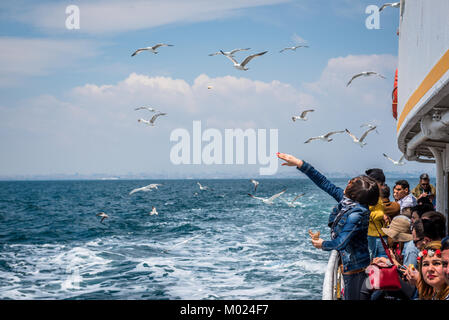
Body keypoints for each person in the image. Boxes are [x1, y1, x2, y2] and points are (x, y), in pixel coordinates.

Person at [277, 152, 379, 300]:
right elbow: (325, 183)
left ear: (355, 194)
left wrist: (322, 244)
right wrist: (300, 163)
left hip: (355, 272)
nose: (348, 182)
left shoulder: (357, 213)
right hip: (350, 268)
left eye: (351, 183)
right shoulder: (347, 202)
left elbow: (342, 241)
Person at [365, 168, 388, 260]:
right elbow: (365, 214)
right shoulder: (367, 196)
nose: (383, 187)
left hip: (380, 234)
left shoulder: (377, 195)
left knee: (382, 262)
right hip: (372, 236)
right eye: (381, 184)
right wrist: (381, 215)